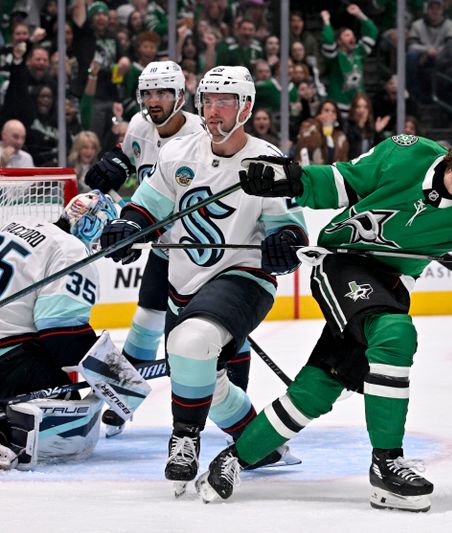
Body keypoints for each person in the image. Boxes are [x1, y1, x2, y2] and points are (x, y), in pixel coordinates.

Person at [193, 119, 452, 509]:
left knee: (317, 389)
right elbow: (343, 181)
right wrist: (294, 180)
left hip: (390, 284)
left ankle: (233, 458)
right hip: (344, 263)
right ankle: (387, 464)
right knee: (394, 334)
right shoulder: (407, 153)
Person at [98, 65, 308, 496]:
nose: (213, 111)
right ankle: (259, 444)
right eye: (208, 101)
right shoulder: (179, 153)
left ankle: (185, 438)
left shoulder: (267, 161)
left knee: (190, 343)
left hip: (245, 278)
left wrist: (285, 242)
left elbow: (290, 228)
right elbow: (147, 207)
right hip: (184, 283)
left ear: (245, 107)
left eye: (224, 102)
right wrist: (128, 227)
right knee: (205, 378)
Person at [85, 60, 208, 437]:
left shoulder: (200, 135)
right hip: (163, 249)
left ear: (180, 96)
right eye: (148, 93)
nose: (154, 100)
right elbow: (132, 161)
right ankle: (123, 401)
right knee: (144, 323)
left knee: (207, 333)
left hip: (201, 254)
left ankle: (233, 408)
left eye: (163, 93)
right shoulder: (139, 126)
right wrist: (116, 165)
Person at [0, 191, 116, 469]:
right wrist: (112, 372)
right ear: (92, 225)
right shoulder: (71, 251)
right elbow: (63, 338)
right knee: (68, 412)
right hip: (8, 361)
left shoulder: (17, 224)